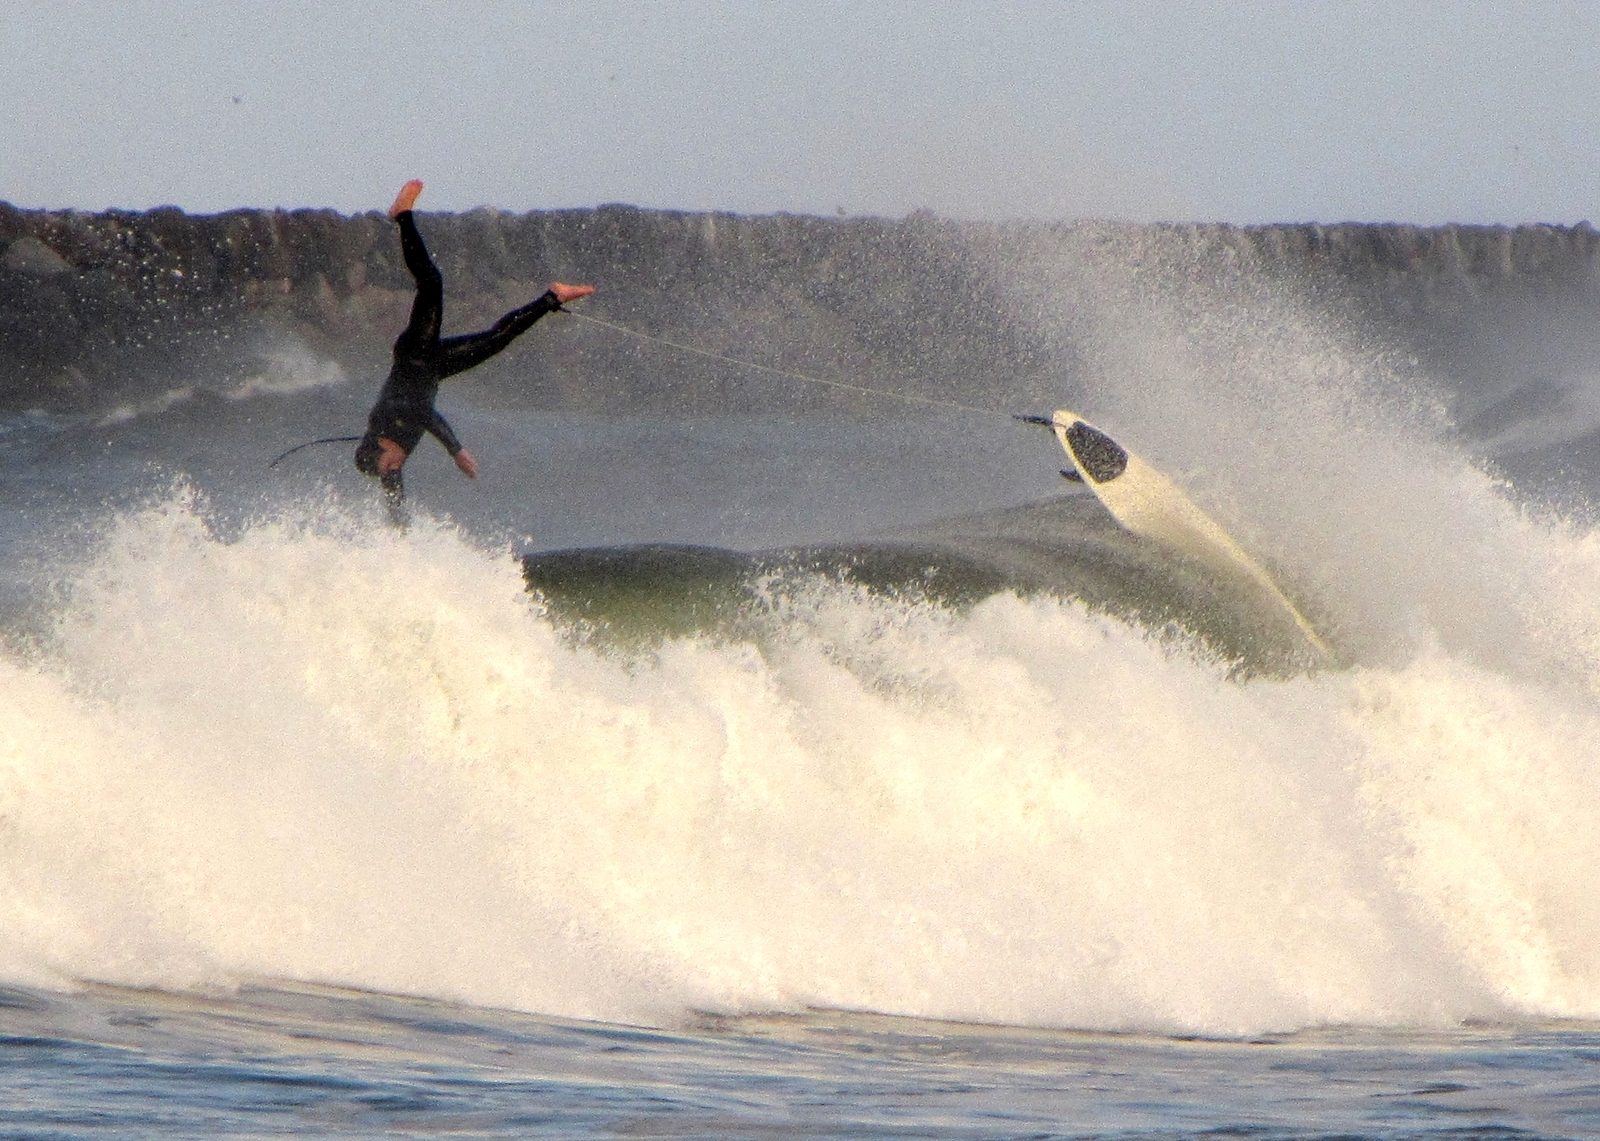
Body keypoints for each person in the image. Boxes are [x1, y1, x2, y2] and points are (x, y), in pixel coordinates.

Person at [355, 179, 595, 507]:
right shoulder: (389, 457)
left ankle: (403, 215)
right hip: (433, 368)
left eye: (389, 465)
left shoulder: (388, 416)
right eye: (391, 472)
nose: (395, 469)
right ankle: (554, 296)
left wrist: (456, 451)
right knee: (497, 339)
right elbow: (393, 492)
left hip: (415, 355)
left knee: (431, 282)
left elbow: (425, 413)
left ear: (382, 444)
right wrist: (400, 542)